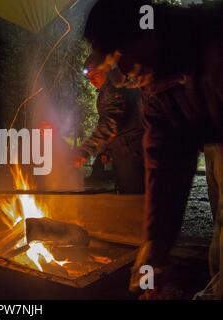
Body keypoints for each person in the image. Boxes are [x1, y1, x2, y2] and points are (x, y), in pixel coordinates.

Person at [84, 0, 223, 298]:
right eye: (114, 66)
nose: (123, 72)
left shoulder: (212, 40)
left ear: (143, 31)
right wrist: (154, 249)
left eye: (120, 56)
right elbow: (165, 167)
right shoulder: (156, 91)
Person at [73, 52, 144, 194]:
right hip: (128, 149)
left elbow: (112, 122)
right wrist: (107, 149)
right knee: (130, 194)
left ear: (105, 69)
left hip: (134, 152)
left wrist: (85, 151)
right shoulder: (110, 88)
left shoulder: (115, 88)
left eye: (95, 74)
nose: (91, 80)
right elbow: (109, 120)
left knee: (135, 197)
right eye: (89, 77)